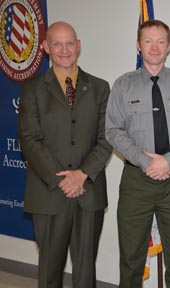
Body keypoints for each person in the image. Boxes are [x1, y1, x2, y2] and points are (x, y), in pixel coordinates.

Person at [18, 22, 112, 287]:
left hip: (89, 191)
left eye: (69, 43)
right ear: (46, 48)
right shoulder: (32, 88)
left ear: (78, 46)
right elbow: (30, 140)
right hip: (49, 192)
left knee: (85, 273)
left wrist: (81, 174)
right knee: (50, 271)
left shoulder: (100, 88)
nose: (64, 49)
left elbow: (106, 137)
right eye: (57, 44)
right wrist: (62, 180)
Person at [105, 20, 170, 288]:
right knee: (131, 259)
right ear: (138, 45)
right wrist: (147, 161)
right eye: (148, 41)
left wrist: (168, 160)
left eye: (160, 41)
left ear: (169, 47)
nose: (154, 47)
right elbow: (113, 130)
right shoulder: (123, 85)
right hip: (137, 181)